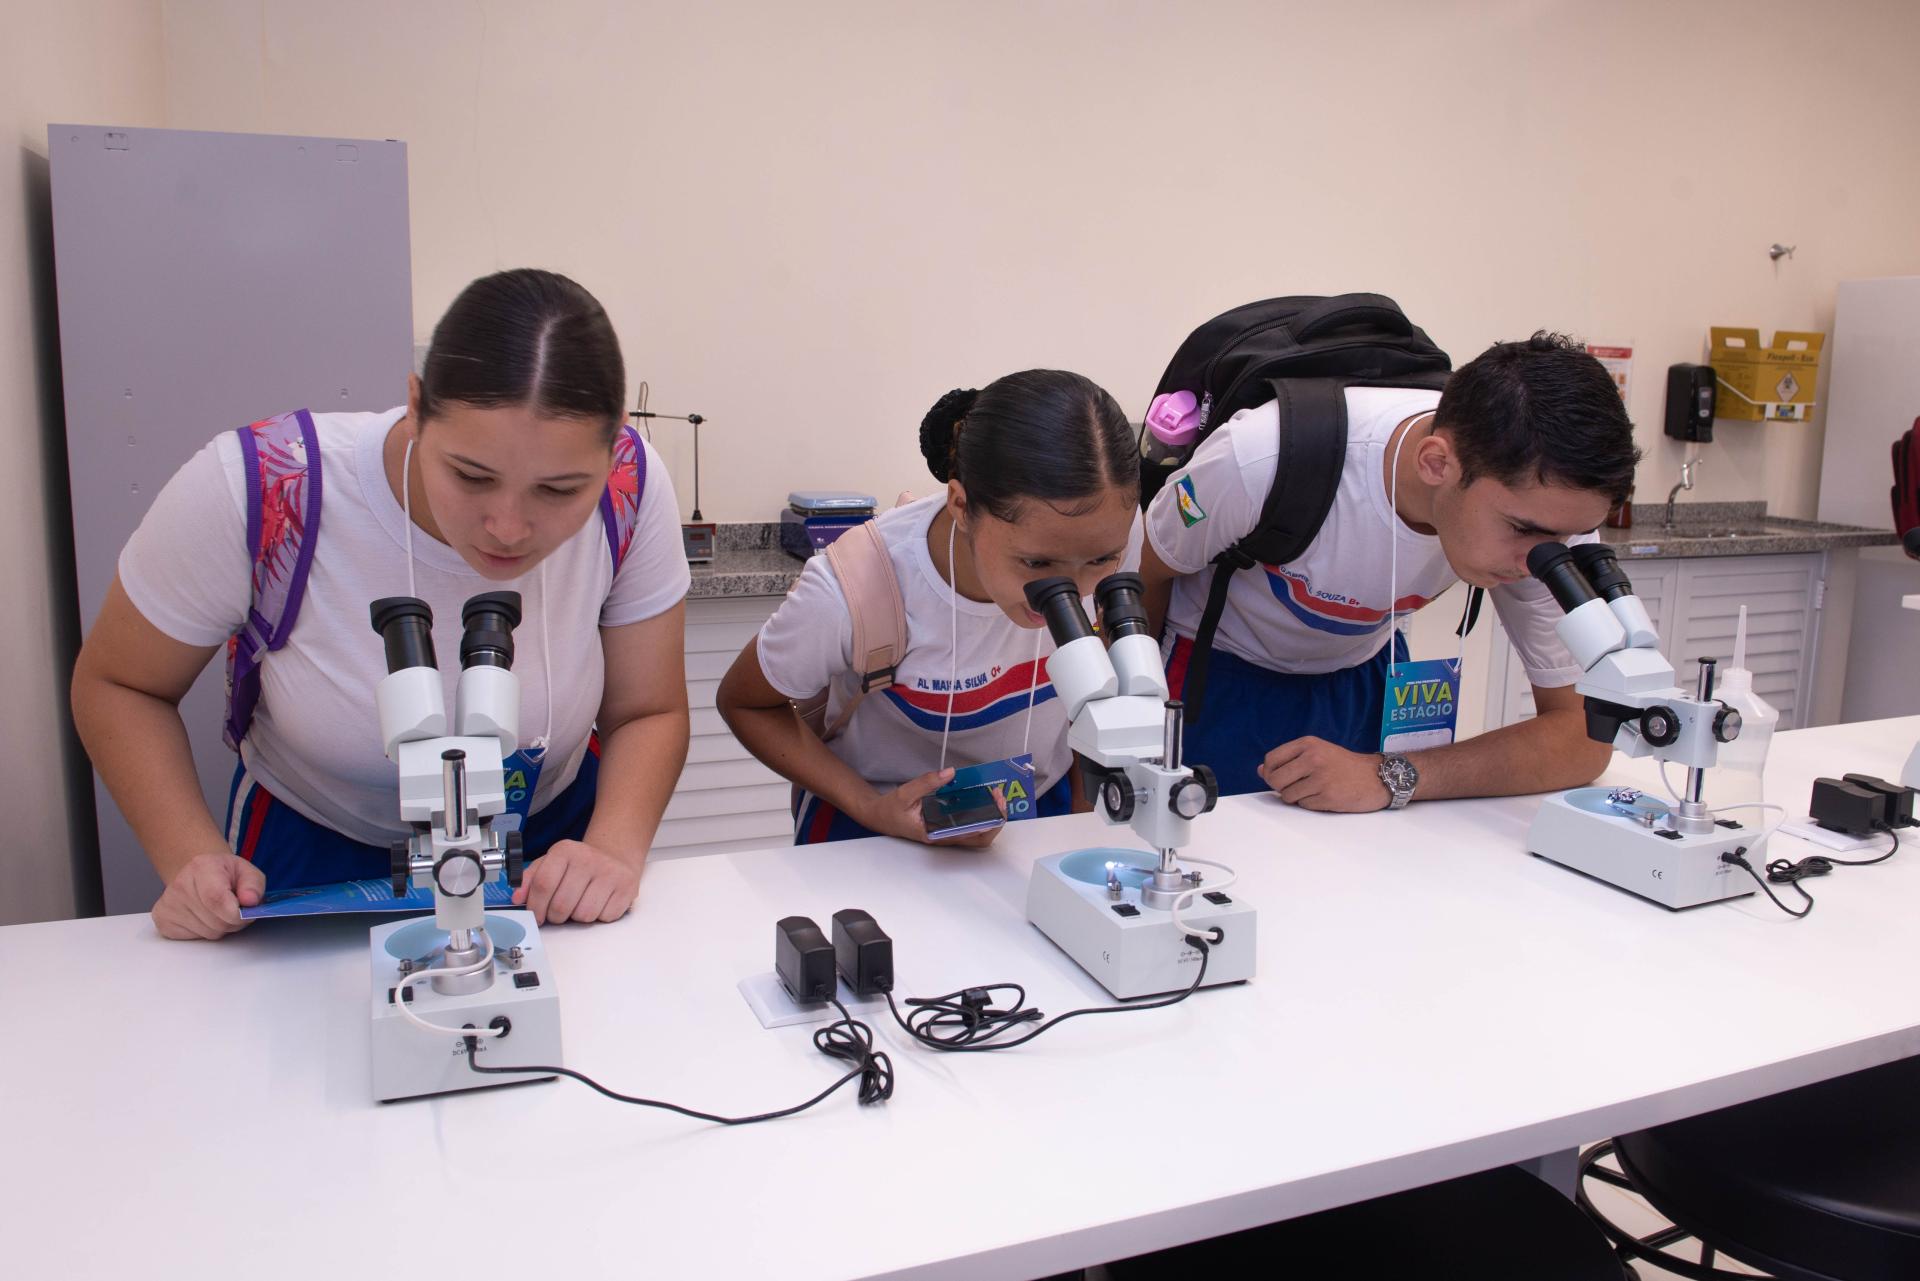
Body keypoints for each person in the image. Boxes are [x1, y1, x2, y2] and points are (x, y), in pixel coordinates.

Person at [72, 268, 691, 938]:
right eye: (471, 476)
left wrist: (613, 849)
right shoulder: (268, 488)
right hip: (320, 850)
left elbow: (647, 710)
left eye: (559, 489)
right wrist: (190, 856)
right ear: (416, 406)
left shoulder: (630, 486)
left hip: (551, 849)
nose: (508, 526)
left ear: (615, 441)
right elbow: (119, 684)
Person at [1139, 332, 1639, 810]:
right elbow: (1143, 577)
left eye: (1565, 538)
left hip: (1364, 674)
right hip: (1213, 673)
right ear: (1436, 463)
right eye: (1522, 531)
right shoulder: (1260, 457)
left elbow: (1585, 737)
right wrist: (1133, 731)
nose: (1537, 561)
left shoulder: (1551, 515)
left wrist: (1393, 775)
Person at [717, 370, 1141, 844]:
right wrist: (870, 808)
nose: (1072, 588)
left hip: (1039, 813)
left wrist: (1079, 826)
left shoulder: (1107, 528)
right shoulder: (856, 588)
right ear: (961, 504)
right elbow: (746, 703)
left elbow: (1095, 702)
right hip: (873, 828)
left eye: (1102, 559)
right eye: (1036, 562)